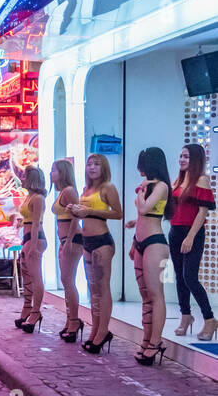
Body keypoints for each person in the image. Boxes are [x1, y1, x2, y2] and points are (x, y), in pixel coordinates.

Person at [69, 153, 122, 354]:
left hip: (102, 241)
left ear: (104, 167)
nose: (92, 167)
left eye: (96, 164)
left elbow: (117, 213)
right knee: (93, 289)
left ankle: (103, 330)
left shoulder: (108, 187)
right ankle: (95, 328)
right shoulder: (85, 189)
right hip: (87, 241)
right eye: (89, 164)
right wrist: (75, 210)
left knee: (103, 287)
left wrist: (89, 212)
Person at [129, 147, 173, 365]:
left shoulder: (162, 186)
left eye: (143, 164)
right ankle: (147, 340)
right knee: (146, 296)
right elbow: (142, 215)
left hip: (155, 244)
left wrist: (139, 193)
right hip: (141, 243)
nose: (140, 169)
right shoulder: (150, 186)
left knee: (156, 295)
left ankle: (155, 342)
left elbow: (145, 208)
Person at [171, 143, 216, 340]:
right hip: (175, 232)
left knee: (190, 277)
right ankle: (186, 316)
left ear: (196, 159)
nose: (182, 159)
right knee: (180, 278)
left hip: (193, 233)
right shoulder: (178, 180)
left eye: (186, 157)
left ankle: (209, 319)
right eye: (181, 156)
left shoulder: (202, 180)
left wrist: (190, 236)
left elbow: (202, 212)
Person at [50, 159, 83, 342]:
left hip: (72, 240)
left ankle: (74, 320)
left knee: (68, 281)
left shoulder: (69, 191)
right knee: (66, 280)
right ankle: (71, 319)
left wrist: (69, 239)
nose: (51, 173)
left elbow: (76, 216)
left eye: (54, 170)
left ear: (62, 172)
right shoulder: (62, 192)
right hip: (65, 239)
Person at [15, 166, 48, 333]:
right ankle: (27, 308)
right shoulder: (30, 197)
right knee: (26, 276)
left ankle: (36, 312)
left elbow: (36, 224)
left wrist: (33, 246)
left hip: (35, 239)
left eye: (24, 176)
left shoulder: (38, 198)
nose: (21, 178)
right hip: (27, 237)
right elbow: (29, 221)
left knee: (35, 277)